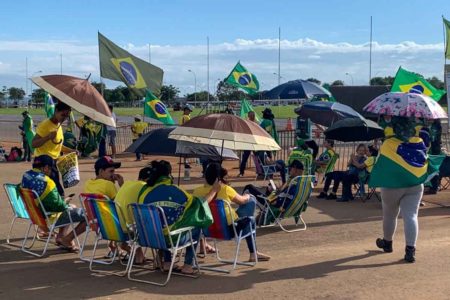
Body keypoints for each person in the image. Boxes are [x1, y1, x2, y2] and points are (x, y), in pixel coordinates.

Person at [139, 160, 220, 274]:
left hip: (150, 237)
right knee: (196, 227)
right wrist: (214, 190)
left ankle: (167, 262)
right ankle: (188, 265)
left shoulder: (144, 191)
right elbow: (200, 203)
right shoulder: (176, 191)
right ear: (169, 174)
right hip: (170, 240)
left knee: (162, 223)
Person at [370, 116, 428, 263]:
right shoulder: (419, 142)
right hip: (415, 184)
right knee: (411, 216)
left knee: (390, 214)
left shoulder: (388, 143)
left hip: (392, 185)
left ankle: (387, 243)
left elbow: (379, 163)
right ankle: (410, 251)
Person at [193, 162, 271, 263]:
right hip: (229, 230)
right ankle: (253, 253)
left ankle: (203, 246)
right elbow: (242, 201)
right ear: (218, 178)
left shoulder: (197, 192)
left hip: (208, 231)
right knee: (251, 205)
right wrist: (248, 195)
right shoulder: (225, 189)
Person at [21, 155, 86, 251]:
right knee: (88, 215)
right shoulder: (48, 182)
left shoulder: (26, 175)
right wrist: (64, 202)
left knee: (70, 207)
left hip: (34, 214)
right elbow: (59, 206)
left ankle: (61, 237)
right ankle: (67, 239)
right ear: (46, 167)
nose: (52, 171)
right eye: (52, 168)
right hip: (48, 218)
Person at [32, 100, 73, 196]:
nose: (64, 118)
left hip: (53, 162)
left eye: (67, 116)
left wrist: (71, 150)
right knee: (56, 192)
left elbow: (57, 146)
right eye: (63, 114)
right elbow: (34, 144)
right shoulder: (45, 125)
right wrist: (47, 137)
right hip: (43, 163)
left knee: (53, 192)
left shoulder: (58, 125)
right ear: (56, 111)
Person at [114, 166, 153, 264]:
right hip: (131, 229)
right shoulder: (146, 187)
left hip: (117, 227)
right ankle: (161, 260)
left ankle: (137, 254)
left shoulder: (127, 184)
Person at [239, 111, 257, 177]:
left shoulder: (247, 123)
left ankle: (241, 172)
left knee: (245, 158)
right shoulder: (255, 123)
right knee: (257, 158)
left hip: (249, 142)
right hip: (253, 142)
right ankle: (260, 171)